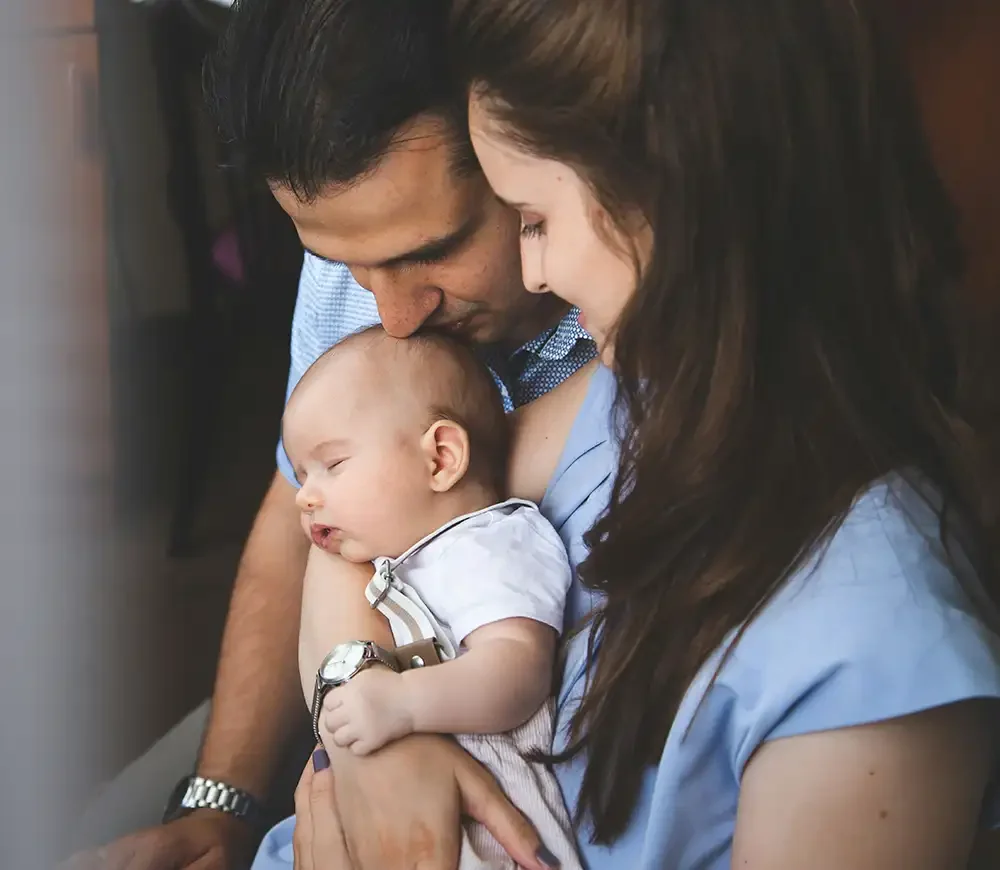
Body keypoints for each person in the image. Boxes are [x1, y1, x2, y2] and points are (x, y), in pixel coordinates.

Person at [286, 0, 1000, 867]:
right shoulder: (642, 395)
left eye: (537, 220)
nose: (535, 271)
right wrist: (373, 729)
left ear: (673, 200)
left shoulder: (866, 666)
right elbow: (353, 527)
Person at [65, 0, 594, 868]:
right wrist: (222, 802)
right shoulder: (359, 254)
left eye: (435, 249)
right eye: (347, 264)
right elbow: (297, 506)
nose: (390, 316)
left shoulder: (626, 316)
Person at [262, 325, 583, 870]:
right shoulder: (410, 559)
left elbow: (516, 672)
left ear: (440, 458)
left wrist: (402, 703)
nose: (306, 498)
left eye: (333, 465)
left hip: (485, 822)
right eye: (301, 475)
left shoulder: (489, 542)